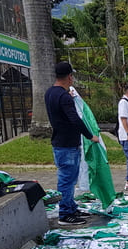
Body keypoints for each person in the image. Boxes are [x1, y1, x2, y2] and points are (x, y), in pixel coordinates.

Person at [44, 61, 99, 226]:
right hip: (68, 145)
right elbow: (75, 119)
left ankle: (71, 207)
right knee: (67, 181)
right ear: (69, 76)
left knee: (68, 179)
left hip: (59, 142)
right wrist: (90, 136)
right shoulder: (64, 97)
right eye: (72, 76)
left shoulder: (50, 93)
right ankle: (66, 214)